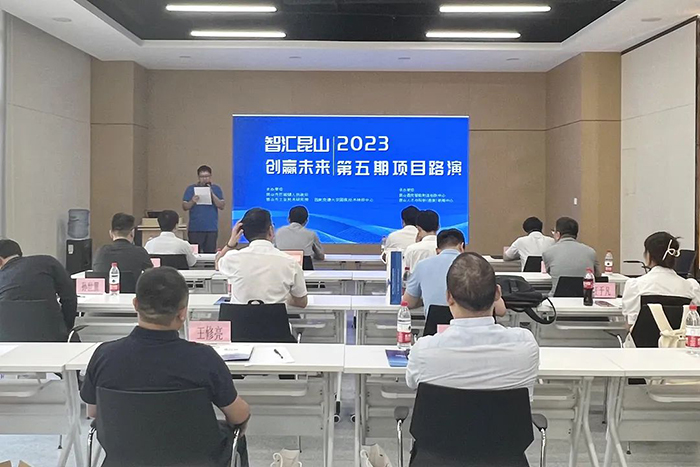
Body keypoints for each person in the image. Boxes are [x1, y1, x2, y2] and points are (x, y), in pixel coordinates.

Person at [80, 267, 250, 466]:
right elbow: (238, 415)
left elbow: (93, 412)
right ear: (182, 313)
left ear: (135, 304)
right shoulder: (204, 358)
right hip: (196, 459)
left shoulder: (104, 355)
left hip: (125, 458)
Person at [406, 252, 539, 398]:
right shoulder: (526, 345)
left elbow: (412, 383)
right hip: (508, 414)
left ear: (448, 297)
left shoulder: (423, 351)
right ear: (497, 293)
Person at [217, 208, 308, 308]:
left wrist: (231, 243)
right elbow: (302, 302)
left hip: (238, 318)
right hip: (275, 318)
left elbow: (217, 263)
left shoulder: (232, 258)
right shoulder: (290, 262)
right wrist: (286, 297)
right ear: (271, 230)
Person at [0, 239, 77, 339]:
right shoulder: (48, 262)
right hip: (52, 336)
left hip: (7, 339)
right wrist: (66, 328)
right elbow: (69, 297)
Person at [622, 232, 700, 328]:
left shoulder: (635, 285)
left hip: (644, 337)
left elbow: (631, 325)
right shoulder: (691, 287)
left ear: (648, 256)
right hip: (680, 337)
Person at [403, 229, 465, 316]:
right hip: (464, 323)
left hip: (433, 323)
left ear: (437, 250)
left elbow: (408, 302)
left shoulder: (422, 265)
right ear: (462, 247)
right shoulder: (473, 265)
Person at [542, 217, 599, 296]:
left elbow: (552, 273)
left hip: (557, 298)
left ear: (558, 234)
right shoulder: (591, 252)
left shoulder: (548, 252)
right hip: (586, 297)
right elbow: (597, 275)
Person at [182, 165, 225, 253]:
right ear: (198, 177)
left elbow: (221, 206)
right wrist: (192, 201)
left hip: (211, 228)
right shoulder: (191, 189)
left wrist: (212, 194)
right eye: (202, 177)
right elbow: (185, 207)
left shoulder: (216, 189)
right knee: (195, 253)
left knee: (210, 254)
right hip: (195, 228)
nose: (205, 179)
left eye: (207, 176)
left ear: (210, 176)